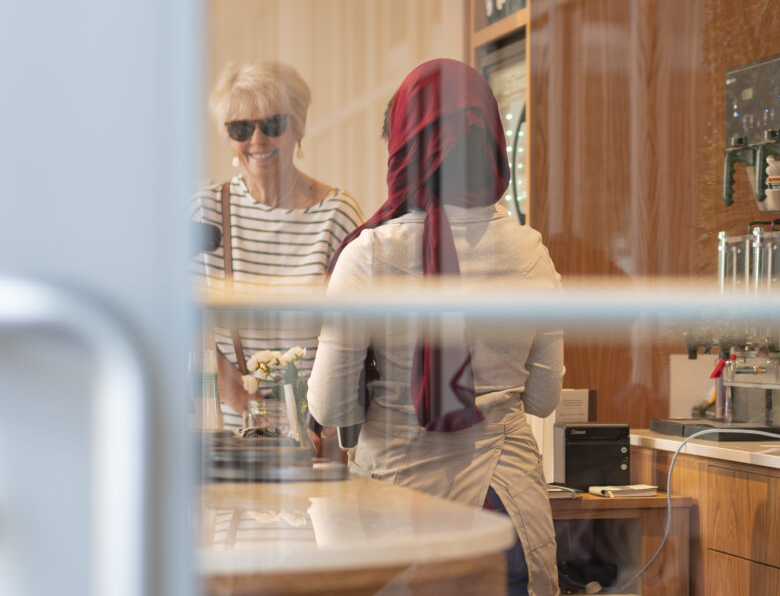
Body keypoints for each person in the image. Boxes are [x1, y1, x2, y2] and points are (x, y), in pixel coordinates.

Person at [307, 58, 563, 596]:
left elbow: (331, 408)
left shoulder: (370, 255)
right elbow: (542, 399)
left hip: (402, 510)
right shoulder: (530, 251)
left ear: (403, 144)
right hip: (507, 509)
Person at [192, 60, 363, 431]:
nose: (257, 140)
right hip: (232, 433)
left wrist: (317, 425)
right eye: (240, 128)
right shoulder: (207, 210)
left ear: (298, 127)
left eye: (272, 124)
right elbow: (183, 324)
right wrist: (250, 407)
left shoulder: (337, 214)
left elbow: (353, 334)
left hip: (318, 432)